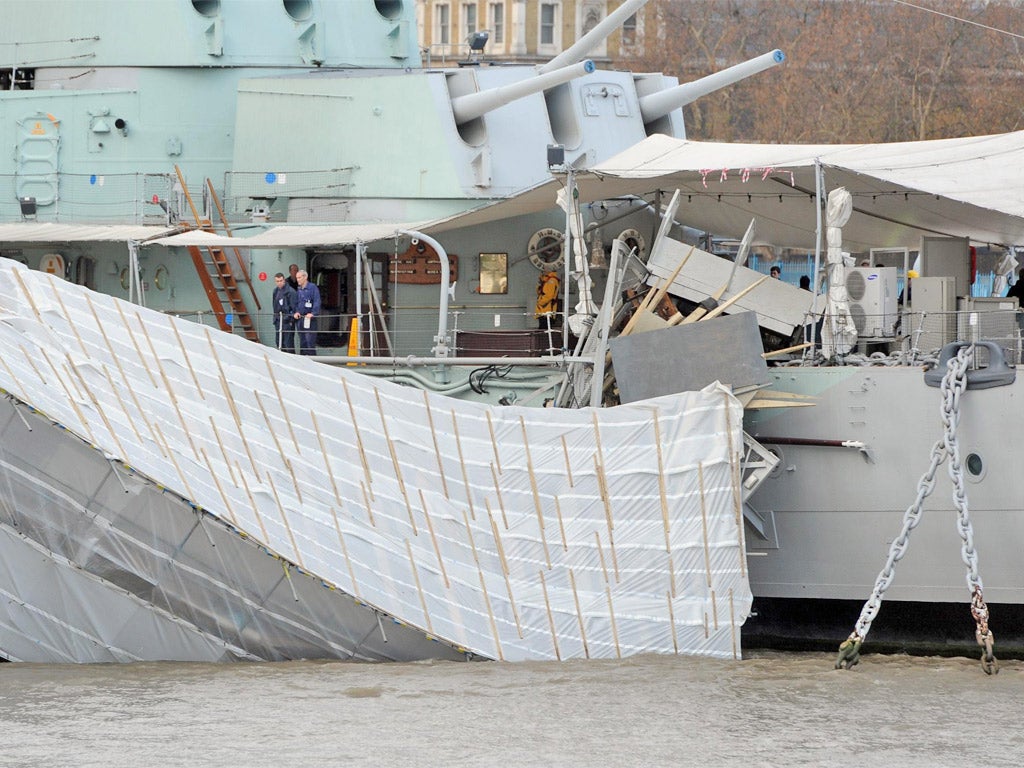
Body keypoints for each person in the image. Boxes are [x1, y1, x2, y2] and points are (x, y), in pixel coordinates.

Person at [293, 269, 321, 355]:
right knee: (302, 341)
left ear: (305, 277)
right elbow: (297, 302)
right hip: (300, 318)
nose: (298, 279)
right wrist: (296, 312)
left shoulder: (313, 288)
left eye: (299, 277)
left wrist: (313, 313)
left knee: (310, 342)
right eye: (297, 278)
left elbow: (317, 301)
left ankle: (313, 361)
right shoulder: (299, 289)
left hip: (309, 318)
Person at [271, 272, 297, 352]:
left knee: (288, 343)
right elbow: (274, 306)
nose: (279, 283)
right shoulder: (275, 291)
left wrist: (291, 320)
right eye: (277, 281)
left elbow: (294, 307)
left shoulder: (291, 291)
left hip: (287, 321)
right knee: (279, 342)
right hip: (278, 320)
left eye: (281, 280)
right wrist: (275, 319)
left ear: (284, 280)